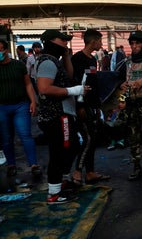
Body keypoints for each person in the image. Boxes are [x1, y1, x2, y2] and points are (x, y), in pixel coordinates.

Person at [36, 30, 88, 204]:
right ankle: (54, 193)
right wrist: (73, 91)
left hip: (63, 114)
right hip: (56, 115)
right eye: (62, 40)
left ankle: (62, 182)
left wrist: (66, 55)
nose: (66, 42)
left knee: (71, 146)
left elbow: (70, 75)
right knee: (59, 152)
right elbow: (44, 88)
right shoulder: (47, 62)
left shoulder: (54, 60)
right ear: (51, 41)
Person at [70, 29, 110, 184]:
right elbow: (75, 84)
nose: (101, 44)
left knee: (93, 139)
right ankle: (77, 171)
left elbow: (92, 82)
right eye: (100, 41)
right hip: (81, 106)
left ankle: (90, 172)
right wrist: (79, 106)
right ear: (93, 42)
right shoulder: (77, 59)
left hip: (93, 106)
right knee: (88, 139)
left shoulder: (93, 60)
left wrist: (98, 106)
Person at [0, 39, 40, 181]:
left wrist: (33, 101)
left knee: (25, 134)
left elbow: (28, 84)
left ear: (6, 50)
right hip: (2, 107)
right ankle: (11, 165)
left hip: (20, 105)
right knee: (6, 138)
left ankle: (34, 164)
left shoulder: (18, 65)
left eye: (1, 49)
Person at [118, 30, 142, 181]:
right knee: (133, 139)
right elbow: (121, 84)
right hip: (132, 106)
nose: (134, 46)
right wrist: (122, 96)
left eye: (137, 43)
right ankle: (136, 167)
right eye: (132, 43)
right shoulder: (127, 63)